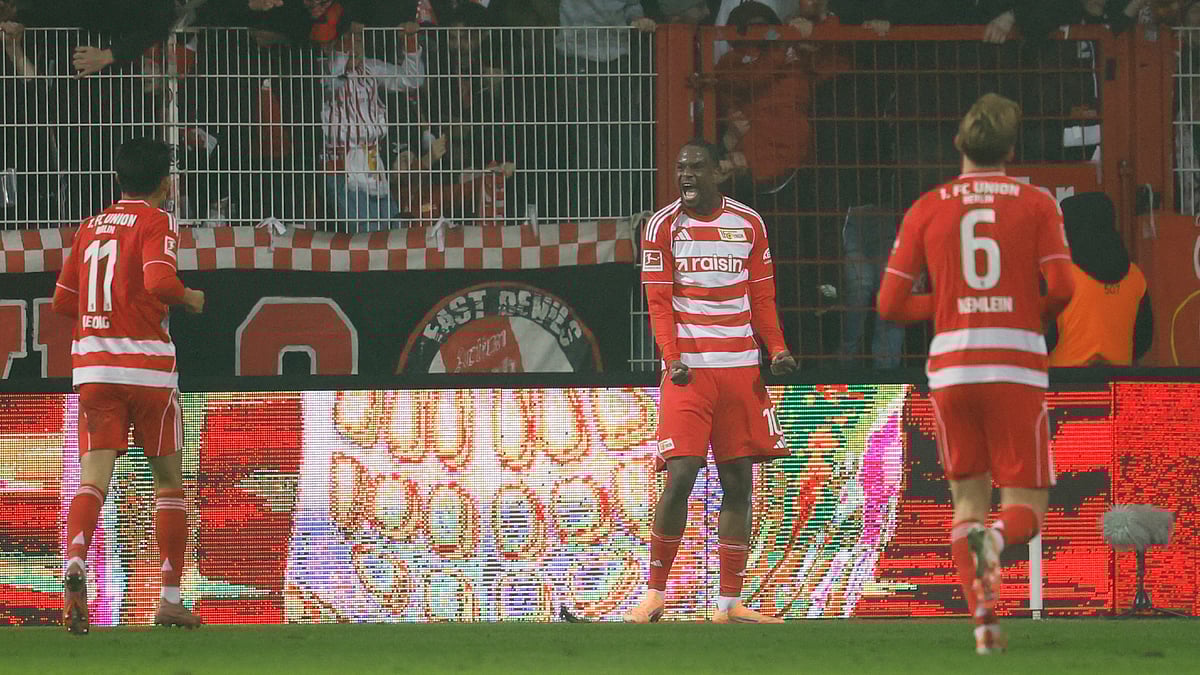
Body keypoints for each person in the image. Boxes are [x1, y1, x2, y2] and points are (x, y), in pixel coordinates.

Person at [876, 94, 1075, 654]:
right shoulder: (1036, 203)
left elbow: (890, 305)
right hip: (1014, 362)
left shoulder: (927, 206)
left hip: (953, 367)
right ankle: (997, 540)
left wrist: (946, 308)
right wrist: (1017, 306)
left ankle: (983, 621)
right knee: (1026, 513)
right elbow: (1062, 289)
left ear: (959, 144)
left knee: (966, 501)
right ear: (1011, 149)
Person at [625, 139, 797, 625]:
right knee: (680, 474)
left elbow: (762, 297)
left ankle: (729, 604)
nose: (687, 175)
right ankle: (655, 593)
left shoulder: (749, 224)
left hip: (741, 369)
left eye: (697, 167)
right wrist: (671, 357)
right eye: (681, 168)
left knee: (738, 480)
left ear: (719, 172)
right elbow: (658, 301)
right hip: (690, 373)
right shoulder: (661, 226)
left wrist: (777, 348)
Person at [51, 138, 207, 634]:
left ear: (119, 179)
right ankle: (169, 597)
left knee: (93, 478)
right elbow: (160, 282)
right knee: (168, 484)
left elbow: (61, 301)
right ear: (165, 182)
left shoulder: (89, 227)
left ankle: (76, 557)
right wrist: (192, 298)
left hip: (93, 368)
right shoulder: (156, 221)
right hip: (146, 368)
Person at [1048, 192, 1153, 366]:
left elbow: (1043, 338)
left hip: (1066, 385)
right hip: (1116, 384)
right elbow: (1143, 339)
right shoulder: (1135, 277)